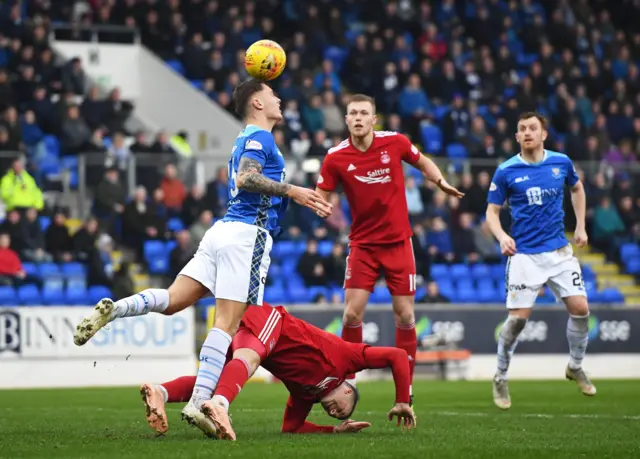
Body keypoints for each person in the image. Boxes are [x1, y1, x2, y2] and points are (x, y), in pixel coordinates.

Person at [74, 79, 332, 422]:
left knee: (173, 300)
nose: (279, 98)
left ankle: (115, 310)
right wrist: (293, 191)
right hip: (246, 235)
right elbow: (245, 178)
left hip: (222, 231)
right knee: (227, 323)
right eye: (272, 95)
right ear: (257, 103)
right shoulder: (260, 137)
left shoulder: (246, 138)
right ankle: (198, 405)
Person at [314, 94, 463, 404]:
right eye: (352, 112)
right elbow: (322, 193)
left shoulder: (394, 142)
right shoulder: (335, 157)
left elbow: (421, 161)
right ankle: (350, 382)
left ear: (373, 119)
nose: (357, 117)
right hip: (363, 246)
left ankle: (404, 390)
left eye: (363, 113)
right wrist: (321, 207)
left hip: (398, 243)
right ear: (346, 120)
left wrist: (440, 182)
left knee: (405, 315)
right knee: (352, 314)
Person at [139, 303, 416, 440]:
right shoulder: (349, 359)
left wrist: (335, 429)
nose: (336, 412)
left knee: (217, 376)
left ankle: (161, 392)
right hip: (272, 321)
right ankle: (220, 404)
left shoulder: (305, 396)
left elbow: (291, 427)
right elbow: (398, 355)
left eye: (336, 415)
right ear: (347, 388)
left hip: (257, 338)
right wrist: (403, 399)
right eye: (343, 410)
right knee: (247, 363)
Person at [486, 112, 594, 410]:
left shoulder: (561, 162)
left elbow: (577, 188)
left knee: (581, 309)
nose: (528, 132)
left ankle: (575, 366)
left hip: (559, 251)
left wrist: (581, 225)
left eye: (533, 128)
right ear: (517, 137)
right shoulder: (506, 171)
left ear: (543, 134)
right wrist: (502, 236)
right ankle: (500, 375)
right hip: (524, 255)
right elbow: (492, 212)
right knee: (518, 321)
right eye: (522, 129)